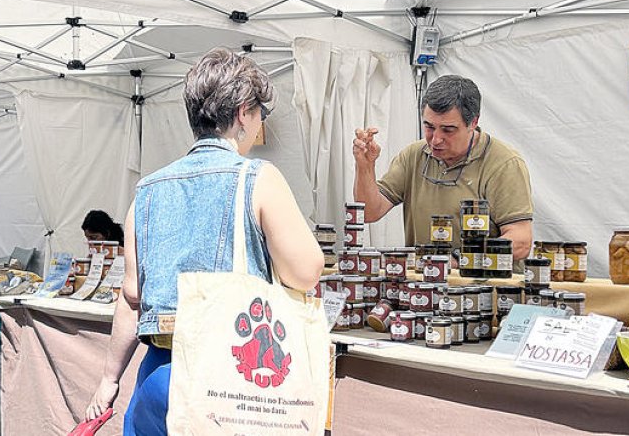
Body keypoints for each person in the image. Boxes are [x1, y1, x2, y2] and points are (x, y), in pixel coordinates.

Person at [85, 48, 323, 435]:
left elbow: (131, 297)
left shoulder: (145, 192)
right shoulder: (258, 178)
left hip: (157, 373)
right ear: (244, 112)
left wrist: (109, 378)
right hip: (229, 382)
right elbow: (306, 271)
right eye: (260, 115)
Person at [353, 75, 534, 260]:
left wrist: (458, 261)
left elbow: (520, 242)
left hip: (485, 286)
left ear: (473, 122)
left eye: (448, 129)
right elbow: (369, 213)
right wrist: (365, 166)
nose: (436, 139)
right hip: (425, 285)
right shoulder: (414, 155)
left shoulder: (503, 163)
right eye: (429, 126)